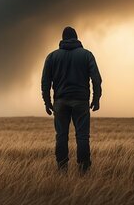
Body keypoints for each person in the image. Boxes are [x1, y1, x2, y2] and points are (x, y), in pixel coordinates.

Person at [41, 26, 102, 174]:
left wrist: (47, 102)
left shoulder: (52, 56)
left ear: (62, 39)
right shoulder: (87, 55)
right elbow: (96, 79)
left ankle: (62, 170)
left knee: (61, 136)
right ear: (76, 37)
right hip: (81, 101)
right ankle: (84, 170)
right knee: (82, 136)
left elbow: (45, 82)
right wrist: (96, 98)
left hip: (60, 101)